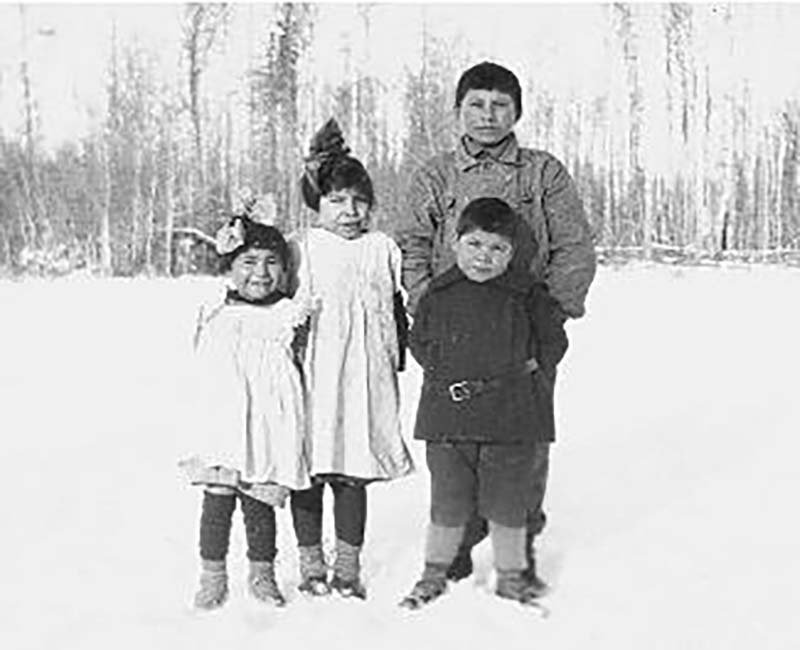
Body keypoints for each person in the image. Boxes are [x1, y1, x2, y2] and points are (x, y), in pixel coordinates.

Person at [397, 60, 596, 591]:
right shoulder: (435, 175)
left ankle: (516, 557)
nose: (488, 115)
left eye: (500, 104)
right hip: (455, 339)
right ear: (458, 110)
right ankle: (454, 552)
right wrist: (430, 309)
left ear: (518, 111)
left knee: (521, 450)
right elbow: (413, 245)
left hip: (524, 337)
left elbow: (574, 246)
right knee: (454, 451)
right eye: (476, 104)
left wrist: (549, 319)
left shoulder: (542, 172)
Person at [399, 197, 568, 609]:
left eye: (497, 248)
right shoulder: (440, 294)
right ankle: (433, 575)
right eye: (474, 244)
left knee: (509, 504)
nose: (484, 256)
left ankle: (511, 578)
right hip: (448, 422)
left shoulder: (528, 294)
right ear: (456, 245)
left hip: (512, 420)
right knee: (448, 502)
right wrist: (448, 373)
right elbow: (420, 341)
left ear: (511, 253)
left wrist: (524, 382)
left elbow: (553, 343)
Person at [286, 118, 414, 600]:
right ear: (316, 202)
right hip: (313, 375)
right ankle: (310, 562)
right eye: (337, 200)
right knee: (310, 469)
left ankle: (347, 566)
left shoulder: (383, 248)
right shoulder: (301, 248)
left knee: (352, 470)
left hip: (365, 375)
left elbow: (405, 305)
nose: (350, 211)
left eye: (360, 201)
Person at [178, 214, 313, 610]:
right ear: (230, 267)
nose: (260, 272)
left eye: (272, 262)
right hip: (224, 423)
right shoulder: (214, 310)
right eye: (248, 262)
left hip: (268, 427)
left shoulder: (288, 313)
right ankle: (212, 575)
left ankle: (262, 574)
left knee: (260, 506)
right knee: (217, 502)